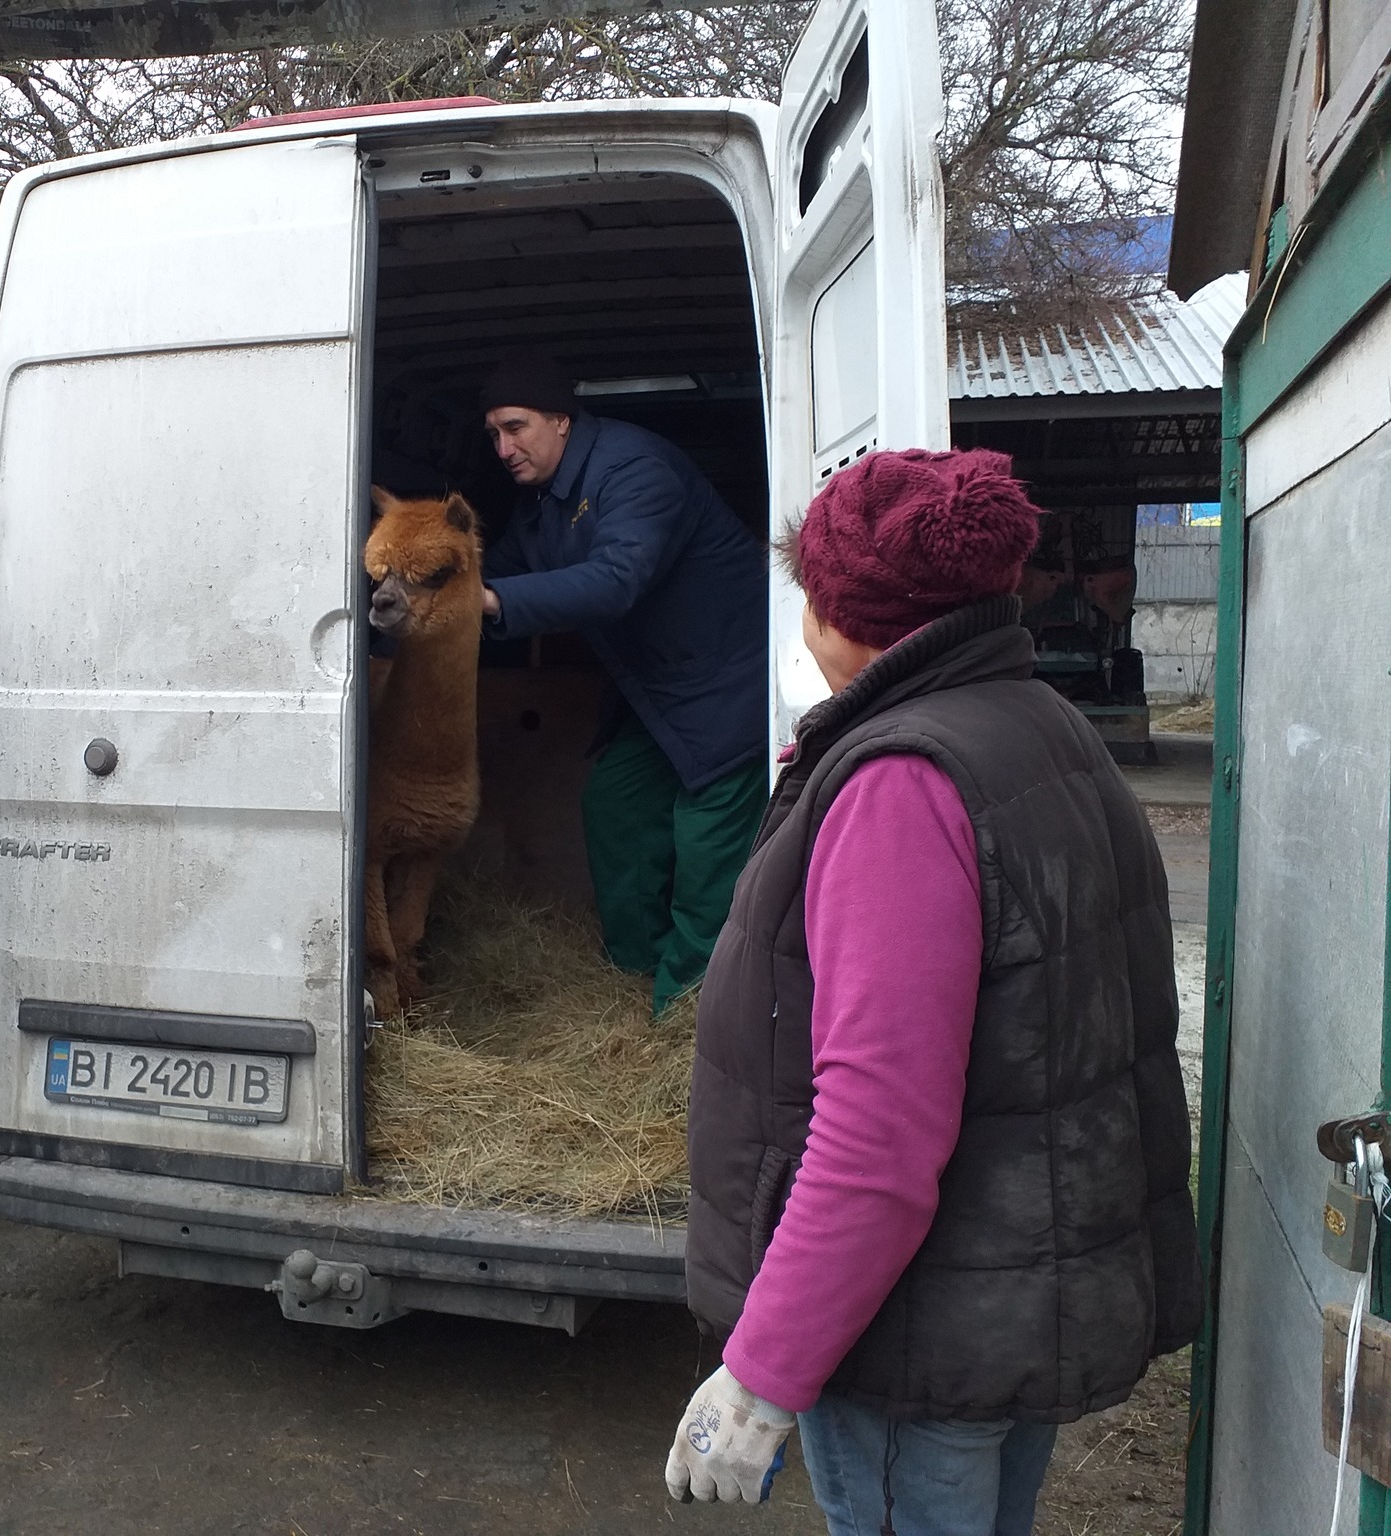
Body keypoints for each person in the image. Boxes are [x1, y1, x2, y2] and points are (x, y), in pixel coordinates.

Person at [664, 449, 1201, 1532]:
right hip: (1006, 1294)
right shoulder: (1040, 727)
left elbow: (874, 1133)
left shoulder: (900, 783)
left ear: (836, 612)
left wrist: (764, 1371)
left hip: (924, 1329)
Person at [477, 354, 767, 1014]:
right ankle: (633, 972)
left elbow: (616, 580)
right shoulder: (541, 507)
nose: (504, 447)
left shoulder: (636, 469)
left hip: (728, 684)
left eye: (516, 427)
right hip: (660, 693)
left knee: (706, 846)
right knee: (616, 805)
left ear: (561, 420)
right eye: (493, 434)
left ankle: (689, 1011)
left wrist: (490, 601)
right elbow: (492, 572)